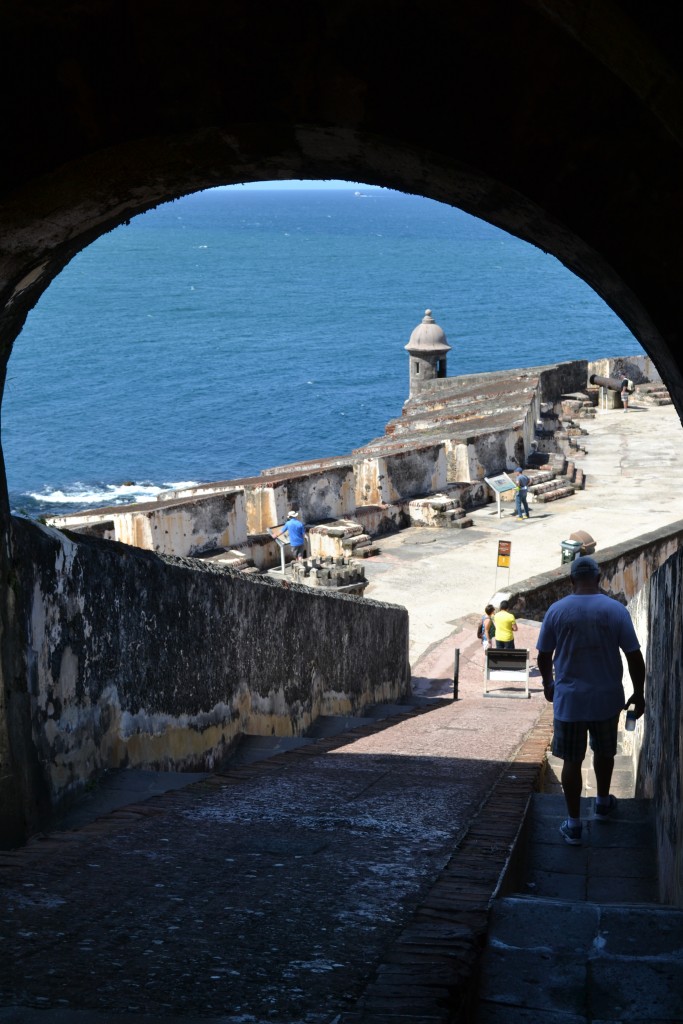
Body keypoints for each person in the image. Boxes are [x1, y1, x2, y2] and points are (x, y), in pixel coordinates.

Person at [536, 555, 646, 846]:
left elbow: (543, 656)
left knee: (572, 760)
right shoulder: (615, 610)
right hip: (606, 698)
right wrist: (639, 692)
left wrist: (549, 683)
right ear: (599, 578)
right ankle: (601, 802)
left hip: (570, 700)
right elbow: (634, 656)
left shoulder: (556, 610)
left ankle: (573, 824)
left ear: (572, 580)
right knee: (605, 752)